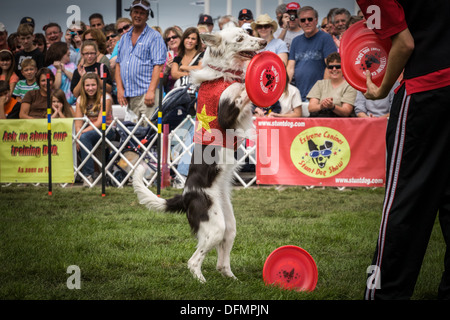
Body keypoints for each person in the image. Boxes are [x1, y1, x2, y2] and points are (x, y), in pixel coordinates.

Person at [356, 0, 450, 300]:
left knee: (404, 200)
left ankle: (384, 294)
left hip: (427, 88)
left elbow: (404, 43)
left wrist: (381, 89)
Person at [116, 0, 166, 120]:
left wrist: (151, 91)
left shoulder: (155, 37)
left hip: (147, 95)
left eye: (142, 13)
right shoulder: (124, 38)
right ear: (131, 14)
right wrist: (120, 89)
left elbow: (158, 66)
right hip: (130, 95)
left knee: (148, 134)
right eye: (135, 12)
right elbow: (118, 64)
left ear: (147, 16)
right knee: (133, 134)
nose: (138, 15)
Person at [287, 6, 337, 102]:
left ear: (316, 20)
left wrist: (323, 93)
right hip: (298, 96)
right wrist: (284, 89)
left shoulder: (326, 38)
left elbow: (330, 66)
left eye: (310, 19)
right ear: (299, 23)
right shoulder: (296, 41)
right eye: (303, 20)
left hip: (319, 97)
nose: (306, 22)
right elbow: (290, 68)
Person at [74, 72, 114, 186]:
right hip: (88, 131)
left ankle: (88, 175)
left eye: (93, 85)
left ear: (98, 85)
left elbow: (100, 122)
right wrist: (78, 135)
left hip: (106, 129)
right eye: (87, 85)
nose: (90, 88)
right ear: (83, 86)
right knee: (82, 137)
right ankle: (81, 174)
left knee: (84, 137)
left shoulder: (105, 98)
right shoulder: (80, 99)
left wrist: (82, 133)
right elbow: (78, 121)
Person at [307, 52, 356, 117]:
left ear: (344, 67)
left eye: (338, 67)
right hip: (320, 120)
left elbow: (346, 111)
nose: (334, 69)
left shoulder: (350, 86)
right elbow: (311, 108)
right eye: (331, 67)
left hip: (340, 122)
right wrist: (321, 106)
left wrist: (332, 107)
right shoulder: (319, 84)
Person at [162, 26, 182, 93]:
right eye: (168, 39)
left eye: (174, 37)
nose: (171, 40)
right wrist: (167, 70)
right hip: (172, 94)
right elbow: (162, 84)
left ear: (180, 37)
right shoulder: (164, 58)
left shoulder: (188, 53)